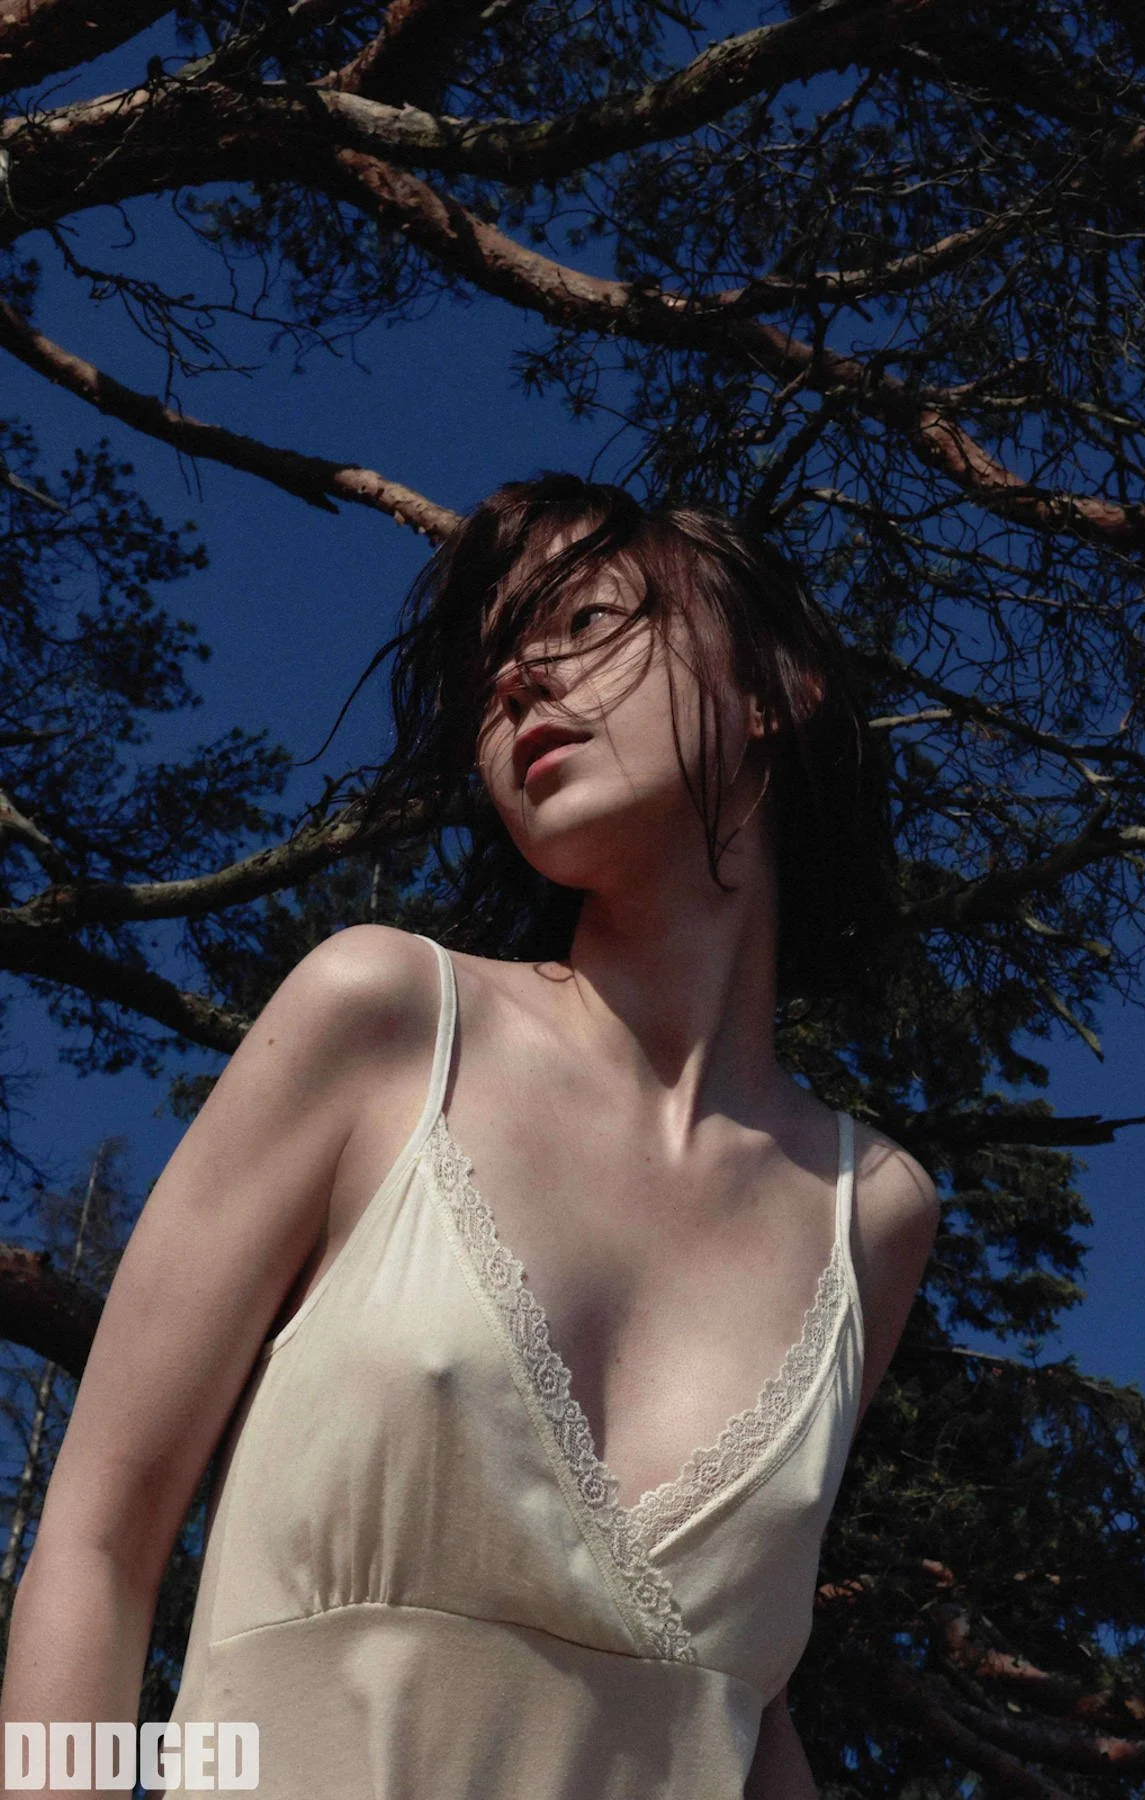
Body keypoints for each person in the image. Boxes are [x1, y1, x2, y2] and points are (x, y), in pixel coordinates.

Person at [1, 474, 941, 1798]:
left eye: (588, 621)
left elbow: (747, 1709)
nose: (515, 678)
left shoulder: (872, 1211)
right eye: (492, 659)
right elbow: (99, 1540)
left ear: (773, 690)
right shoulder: (383, 1020)